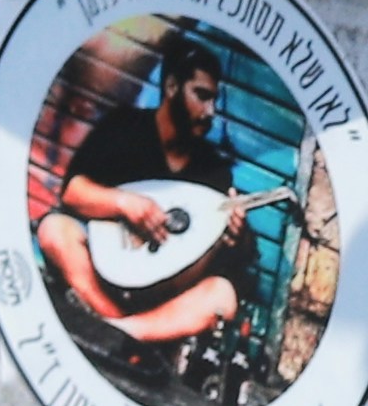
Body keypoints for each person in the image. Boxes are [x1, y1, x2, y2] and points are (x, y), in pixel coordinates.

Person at [33, 39, 274, 363]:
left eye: (214, 99)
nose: (210, 112)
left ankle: (122, 331)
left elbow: (232, 259)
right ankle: (117, 325)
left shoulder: (212, 169)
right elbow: (73, 192)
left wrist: (237, 234)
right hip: (105, 276)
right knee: (54, 230)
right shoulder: (124, 127)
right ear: (172, 86)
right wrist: (123, 203)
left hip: (162, 295)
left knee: (223, 297)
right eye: (201, 96)